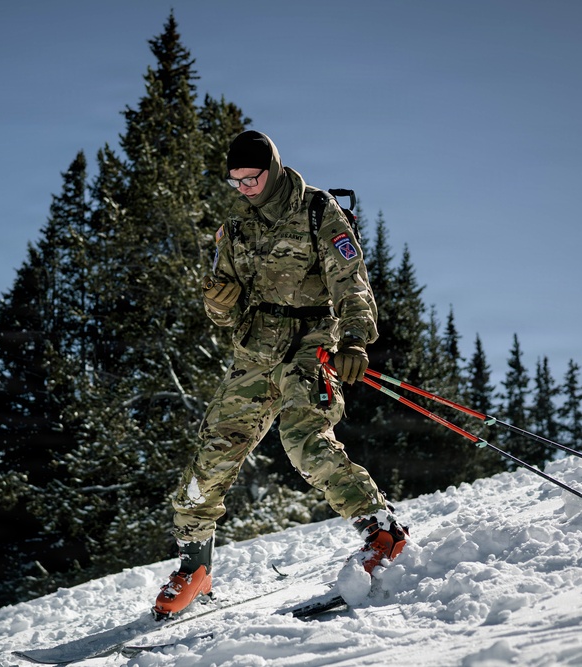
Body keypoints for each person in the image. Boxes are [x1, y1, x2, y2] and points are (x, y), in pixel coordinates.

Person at [152, 130, 407, 620]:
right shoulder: (235, 228)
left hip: (312, 340)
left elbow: (350, 280)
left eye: (252, 178)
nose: (245, 187)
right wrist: (217, 306)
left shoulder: (317, 210)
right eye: (236, 181)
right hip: (254, 349)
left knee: (304, 437)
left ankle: (382, 532)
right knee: (213, 451)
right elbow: (225, 308)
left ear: (272, 166)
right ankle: (195, 566)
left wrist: (355, 340)